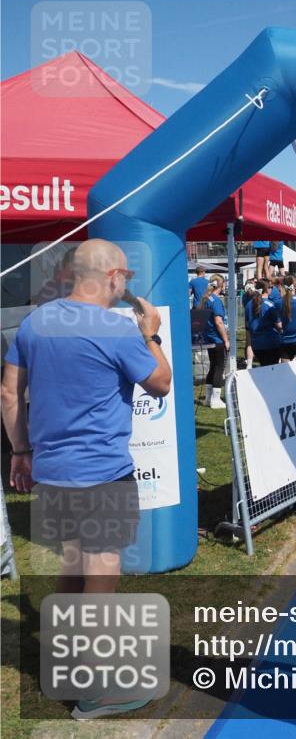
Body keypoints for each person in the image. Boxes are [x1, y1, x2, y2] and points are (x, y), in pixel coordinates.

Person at [1, 238, 171, 719]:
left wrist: (20, 451)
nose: (125, 286)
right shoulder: (116, 330)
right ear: (112, 275)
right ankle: (94, 690)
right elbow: (161, 382)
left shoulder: (36, 322)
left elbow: (9, 393)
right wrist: (151, 334)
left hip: (53, 472)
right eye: (126, 278)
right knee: (101, 575)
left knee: (74, 568)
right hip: (101, 472)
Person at [198, 274, 230, 408]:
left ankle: (208, 398)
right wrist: (226, 339)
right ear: (221, 285)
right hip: (216, 338)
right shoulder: (216, 300)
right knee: (219, 367)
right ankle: (215, 400)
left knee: (213, 366)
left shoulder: (206, 298)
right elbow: (218, 322)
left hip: (208, 337)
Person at [245, 279, 283, 367]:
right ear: (266, 289)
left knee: (264, 368)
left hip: (256, 345)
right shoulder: (270, 305)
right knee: (272, 371)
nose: (272, 289)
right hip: (271, 344)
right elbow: (279, 325)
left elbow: (247, 325)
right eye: (271, 287)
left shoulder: (248, 305)